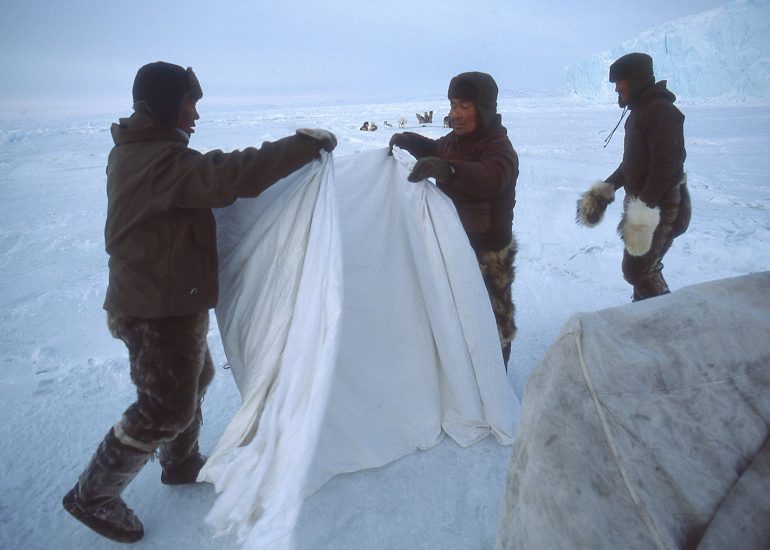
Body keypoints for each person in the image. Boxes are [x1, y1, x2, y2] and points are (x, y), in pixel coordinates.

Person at [61, 61, 336, 543]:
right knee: (164, 407)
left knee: (196, 379)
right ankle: (93, 494)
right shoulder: (159, 162)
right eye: (189, 102)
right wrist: (300, 147)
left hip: (163, 297)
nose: (195, 113)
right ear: (164, 105)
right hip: (154, 308)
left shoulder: (145, 152)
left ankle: (180, 461)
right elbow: (230, 176)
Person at [388, 71, 518, 366]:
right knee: (461, 320)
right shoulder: (456, 141)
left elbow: (490, 177)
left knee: (494, 326)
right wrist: (408, 139)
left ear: (483, 108)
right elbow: (436, 149)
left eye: (464, 106)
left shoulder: (499, 148)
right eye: (452, 105)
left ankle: (496, 386)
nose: (455, 115)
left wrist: (449, 171)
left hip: (488, 253)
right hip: (455, 245)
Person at [576, 52, 691, 301]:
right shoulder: (641, 111)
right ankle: (646, 312)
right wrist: (605, 189)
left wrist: (643, 213)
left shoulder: (660, 112)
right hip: (649, 203)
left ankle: (661, 316)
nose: (617, 89)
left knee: (637, 269)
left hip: (664, 204)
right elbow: (632, 165)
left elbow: (664, 167)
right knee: (642, 269)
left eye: (620, 82)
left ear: (637, 80)